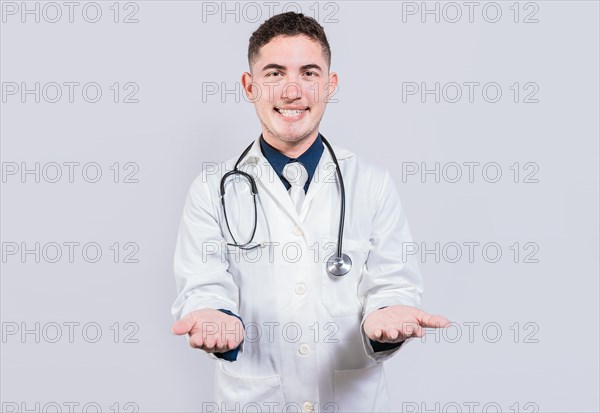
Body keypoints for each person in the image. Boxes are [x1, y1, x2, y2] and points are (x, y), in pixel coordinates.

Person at [171, 12, 450, 413]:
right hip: (256, 399)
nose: (291, 90)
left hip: (352, 401)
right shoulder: (210, 188)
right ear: (250, 86)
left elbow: (393, 284)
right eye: (273, 73)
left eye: (309, 73)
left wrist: (386, 317)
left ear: (330, 85)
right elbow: (203, 283)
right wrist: (215, 317)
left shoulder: (371, 184)